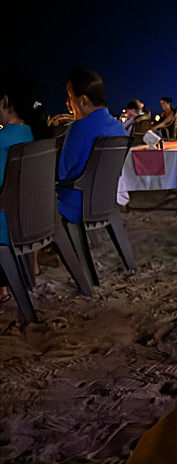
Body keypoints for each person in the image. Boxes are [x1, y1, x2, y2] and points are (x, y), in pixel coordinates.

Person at [0, 71, 50, 301]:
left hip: (7, 227)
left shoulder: (3, 140)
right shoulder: (36, 135)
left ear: (5, 101)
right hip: (35, 220)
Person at [56, 68, 126, 225]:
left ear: (83, 100)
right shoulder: (118, 128)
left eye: (70, 96)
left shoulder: (77, 129)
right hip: (106, 201)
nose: (68, 102)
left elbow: (63, 173)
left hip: (76, 206)